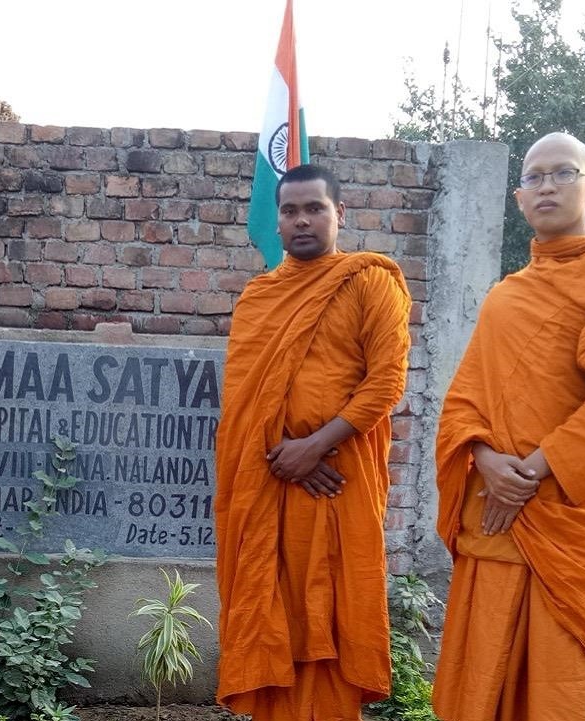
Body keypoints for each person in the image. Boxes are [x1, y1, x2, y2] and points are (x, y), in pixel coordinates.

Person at [433, 133, 585, 720]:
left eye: (564, 173)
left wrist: (531, 473)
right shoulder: (505, 296)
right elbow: (465, 398)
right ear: (518, 198)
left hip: (566, 509)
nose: (547, 186)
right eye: (534, 177)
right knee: (481, 677)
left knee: (559, 686)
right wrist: (486, 460)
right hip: (494, 512)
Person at [214, 164, 413, 720]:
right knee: (273, 606)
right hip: (271, 479)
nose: (302, 220)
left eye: (315, 208)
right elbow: (244, 400)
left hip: (338, 481)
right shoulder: (258, 298)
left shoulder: (370, 281)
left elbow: (387, 382)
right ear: (276, 222)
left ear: (339, 214)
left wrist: (316, 445)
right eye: (290, 211)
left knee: (333, 611)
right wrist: (287, 454)